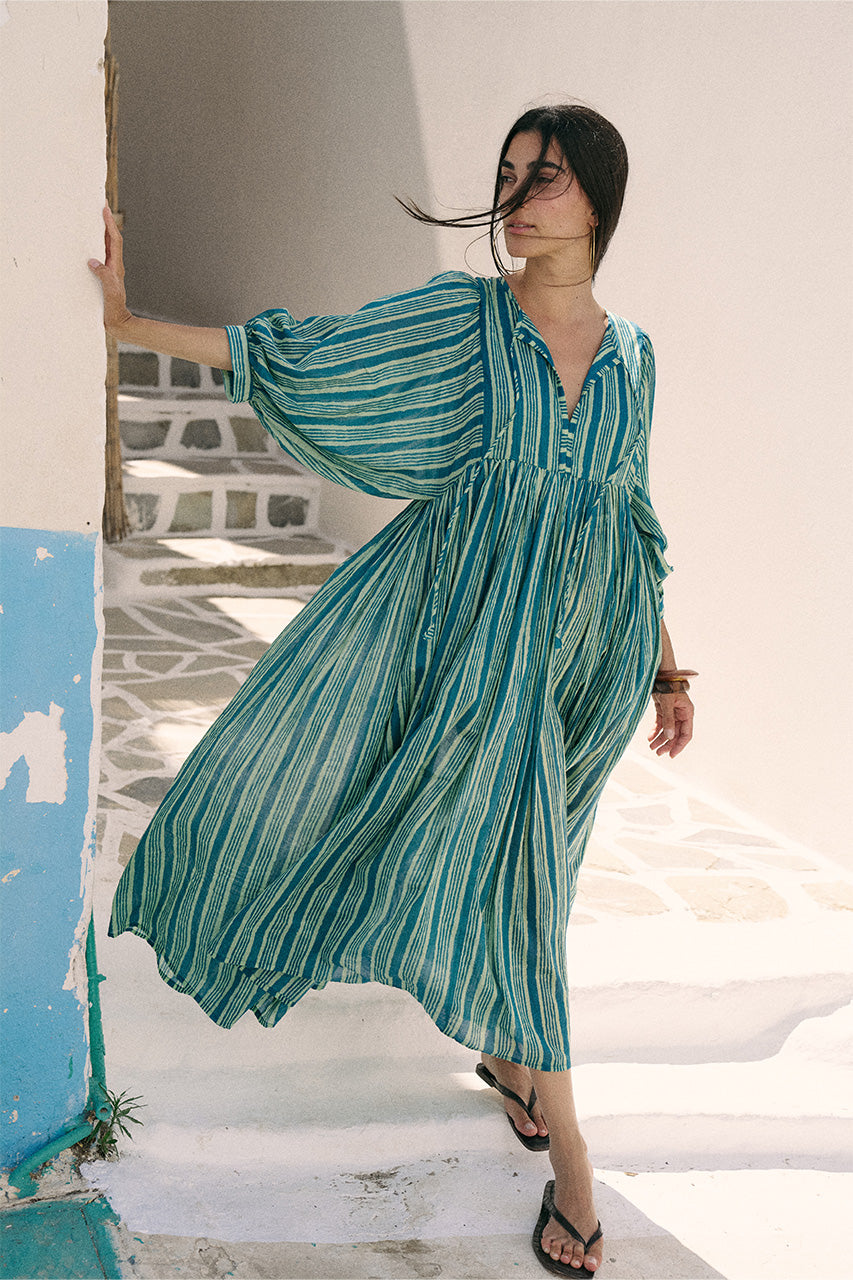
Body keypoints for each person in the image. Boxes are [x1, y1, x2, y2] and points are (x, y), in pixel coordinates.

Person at [89, 103, 695, 1278]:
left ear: (600, 200)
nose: (517, 196)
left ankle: (513, 1063)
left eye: (547, 177)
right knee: (512, 876)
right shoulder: (468, 320)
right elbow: (308, 354)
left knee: (543, 864)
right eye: (509, 174)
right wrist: (130, 323)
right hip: (467, 638)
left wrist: (665, 665)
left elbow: (632, 512)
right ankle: (572, 1159)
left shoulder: (635, 356)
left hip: (588, 656)